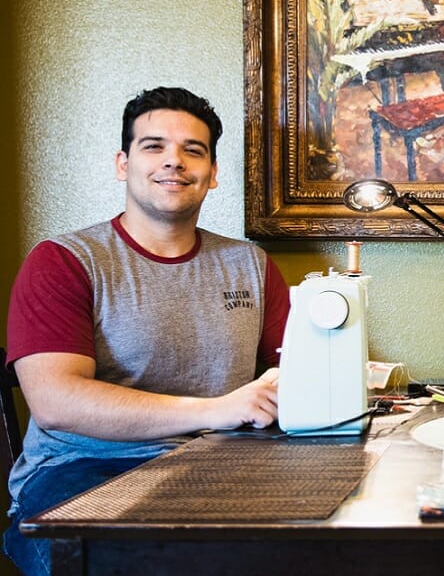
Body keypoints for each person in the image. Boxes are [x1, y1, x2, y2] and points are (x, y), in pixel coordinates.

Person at [3, 86, 291, 574]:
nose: (174, 162)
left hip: (223, 468)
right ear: (123, 164)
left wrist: (339, 375)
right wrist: (219, 410)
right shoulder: (64, 261)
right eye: (153, 146)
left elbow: (292, 372)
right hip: (83, 471)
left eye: (192, 150)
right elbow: (55, 403)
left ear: (212, 174)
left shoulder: (251, 265)